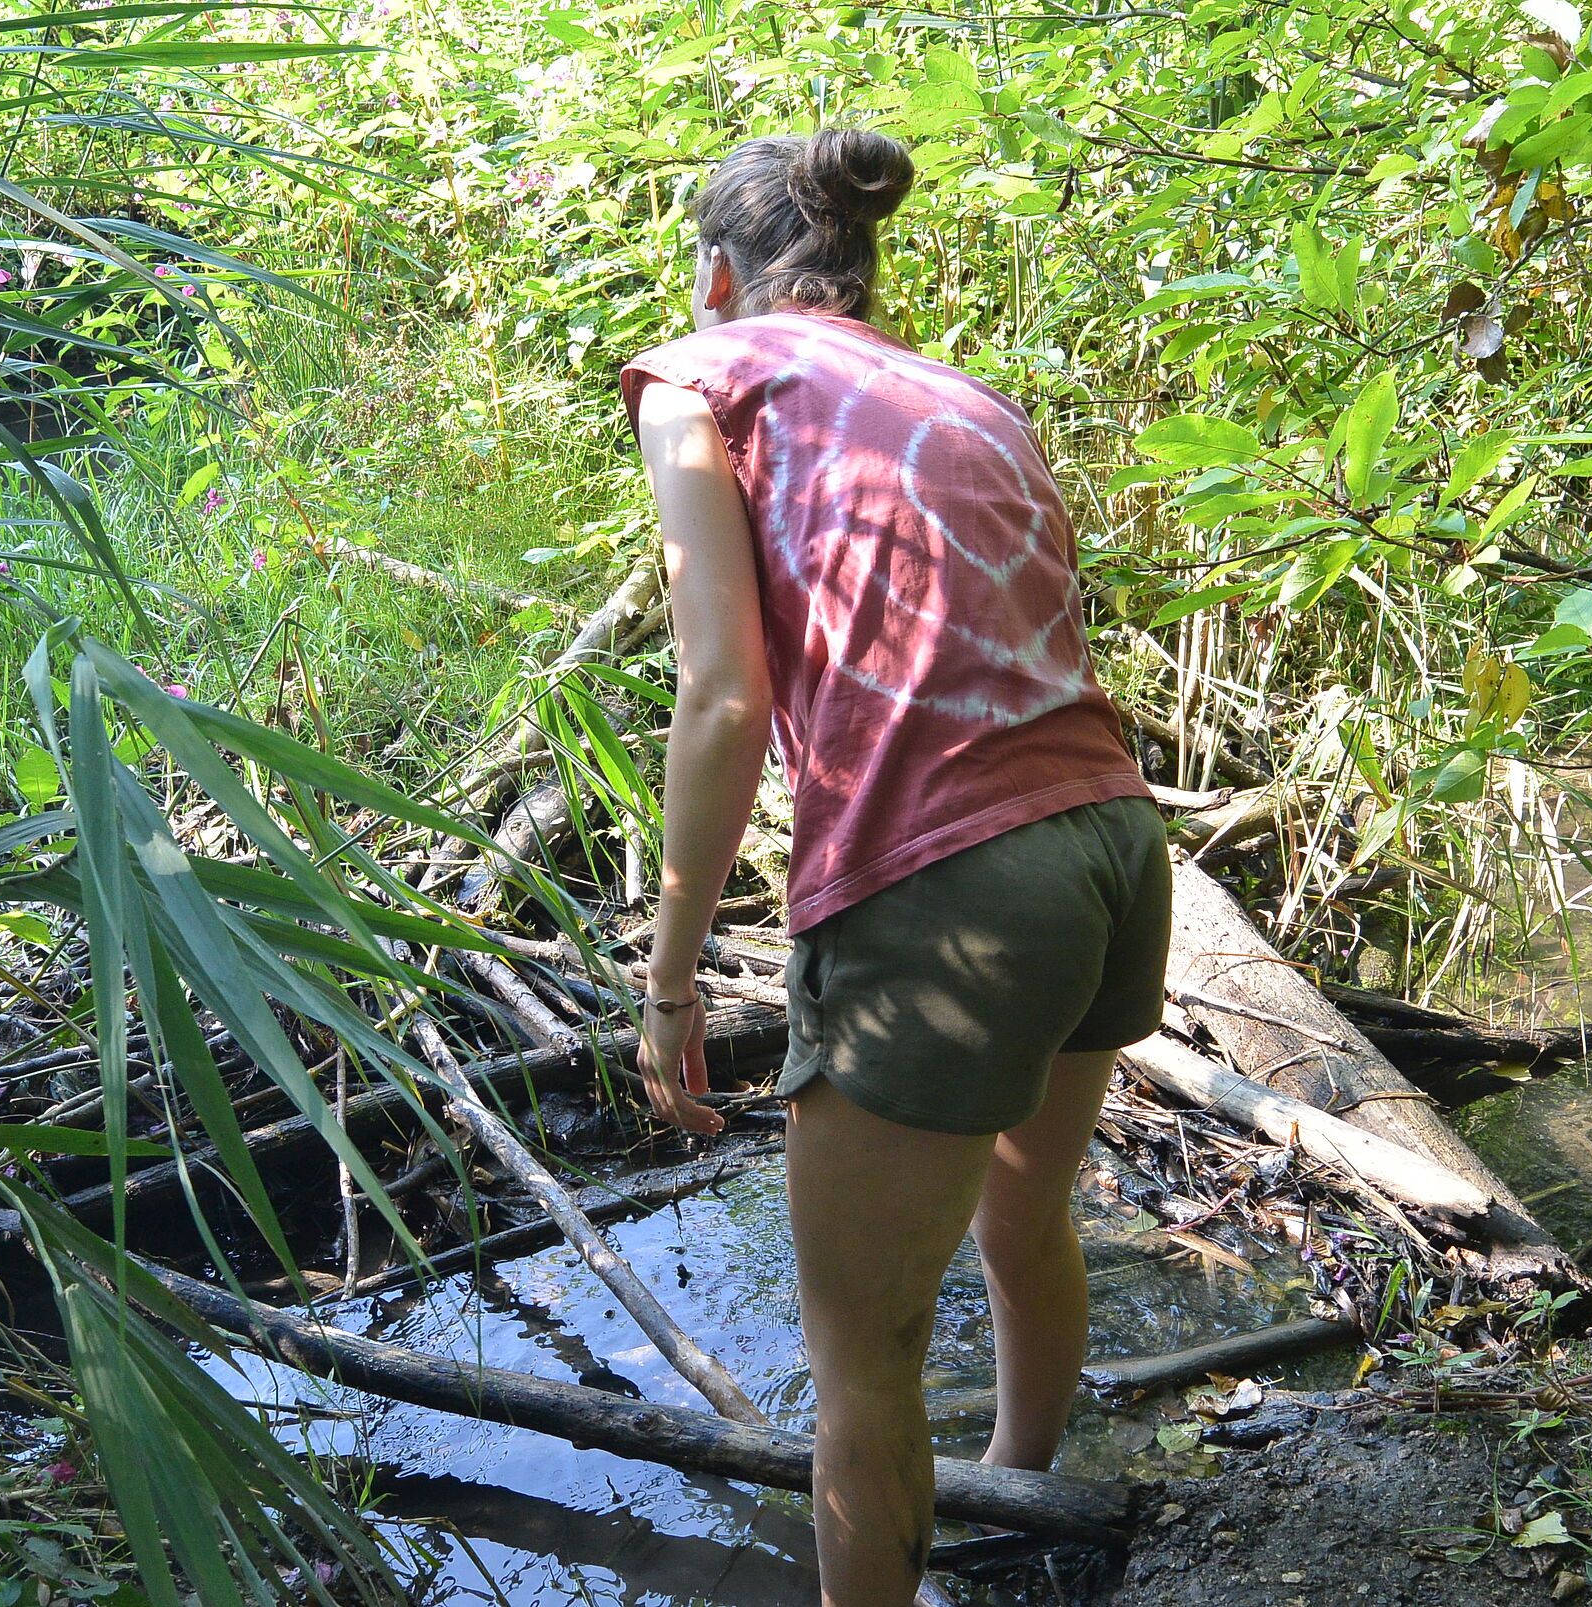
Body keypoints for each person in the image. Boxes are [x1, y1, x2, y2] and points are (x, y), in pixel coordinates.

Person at [618, 127, 1172, 1607]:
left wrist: (668, 983)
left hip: (949, 883)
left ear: (719, 273)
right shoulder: (958, 390)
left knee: (858, 1364)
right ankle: (1024, 1493)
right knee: (1022, 1215)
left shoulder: (701, 376)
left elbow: (724, 695)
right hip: (1111, 842)